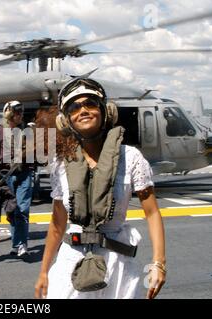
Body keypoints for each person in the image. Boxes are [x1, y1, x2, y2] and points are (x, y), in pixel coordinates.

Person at [34, 78, 166, 299]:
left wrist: (159, 263)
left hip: (117, 265)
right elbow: (57, 225)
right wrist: (44, 272)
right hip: (70, 262)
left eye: (90, 103)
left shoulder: (130, 157)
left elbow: (151, 212)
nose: (83, 110)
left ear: (106, 112)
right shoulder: (61, 165)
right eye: (74, 108)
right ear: (66, 121)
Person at [0, 101, 34, 257]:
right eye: (17, 113)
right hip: (5, 176)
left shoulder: (28, 130)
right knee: (12, 211)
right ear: (9, 114)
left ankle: (22, 245)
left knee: (22, 210)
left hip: (24, 174)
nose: (20, 115)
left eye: (21, 113)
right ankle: (16, 244)